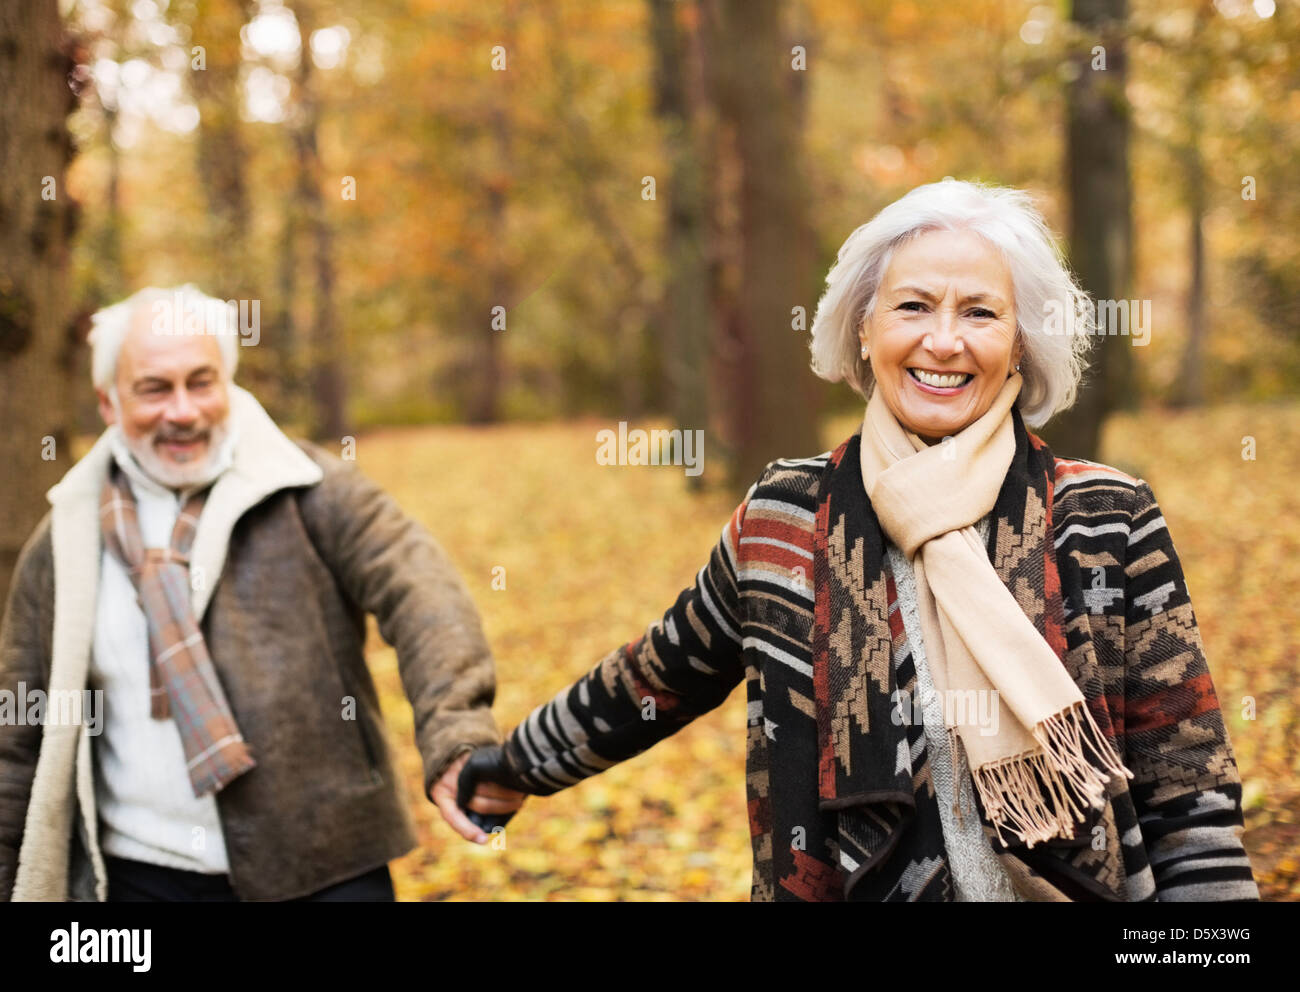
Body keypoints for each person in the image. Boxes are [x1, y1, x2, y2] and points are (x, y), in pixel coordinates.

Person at [457, 179, 1261, 902]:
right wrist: (508, 767)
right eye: (914, 306)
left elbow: (1185, 786)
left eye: (979, 312)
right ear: (864, 329)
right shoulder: (787, 516)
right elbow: (657, 677)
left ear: (1019, 342)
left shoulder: (1104, 517)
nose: (943, 342)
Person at [0, 285, 519, 901]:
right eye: (154, 388)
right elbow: (18, 731)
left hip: (326, 866)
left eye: (202, 381)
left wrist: (456, 730)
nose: (184, 411)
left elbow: (422, 592)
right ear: (108, 402)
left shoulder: (311, 489)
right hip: (137, 882)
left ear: (230, 383)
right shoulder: (65, 537)